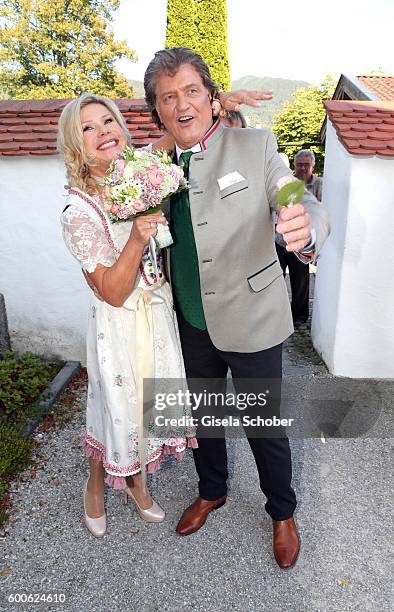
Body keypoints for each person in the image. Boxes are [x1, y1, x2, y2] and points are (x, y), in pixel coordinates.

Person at [144, 47, 330, 569]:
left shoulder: (254, 144)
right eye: (168, 97)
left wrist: (307, 223)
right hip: (189, 320)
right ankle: (213, 490)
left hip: (251, 316)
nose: (182, 104)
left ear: (211, 96)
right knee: (205, 417)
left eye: (191, 91)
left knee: (263, 426)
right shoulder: (150, 165)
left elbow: (294, 193)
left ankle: (282, 512)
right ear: (157, 110)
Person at [58, 88, 273, 538]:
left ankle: (137, 484)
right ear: (75, 145)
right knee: (115, 410)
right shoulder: (78, 209)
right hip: (122, 326)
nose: (102, 132)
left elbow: (182, 131)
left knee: (148, 414)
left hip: (162, 316)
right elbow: (112, 293)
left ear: (122, 127)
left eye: (108, 121)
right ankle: (95, 485)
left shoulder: (142, 169)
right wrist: (136, 238)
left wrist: (212, 101)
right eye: (87, 128)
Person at [275, 149, 323, 325]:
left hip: (302, 243)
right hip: (280, 240)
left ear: (313, 166)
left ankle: (299, 317)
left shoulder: (319, 185)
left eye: (306, 165)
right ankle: (277, 315)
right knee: (275, 280)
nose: (302, 168)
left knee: (301, 281)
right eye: (299, 165)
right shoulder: (287, 182)